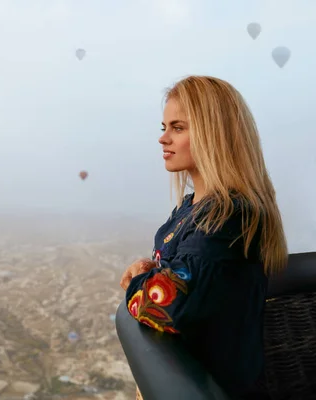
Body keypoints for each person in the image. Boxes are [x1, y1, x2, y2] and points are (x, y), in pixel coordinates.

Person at [120, 75, 287, 400]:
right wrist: (152, 272)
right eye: (164, 126)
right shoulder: (193, 207)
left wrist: (137, 282)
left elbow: (167, 306)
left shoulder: (227, 216)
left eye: (178, 128)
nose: (163, 138)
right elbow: (183, 270)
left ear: (216, 135)